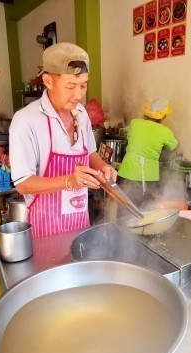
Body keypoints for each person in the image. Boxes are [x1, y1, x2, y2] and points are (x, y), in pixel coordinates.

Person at [9, 43, 116, 238]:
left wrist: (102, 166)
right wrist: (69, 181)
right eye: (70, 86)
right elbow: (23, 183)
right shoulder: (26, 120)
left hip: (79, 220)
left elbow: (90, 152)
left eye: (83, 85)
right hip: (45, 228)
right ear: (48, 81)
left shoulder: (81, 114)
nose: (79, 95)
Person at [117, 98, 178, 206]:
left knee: (124, 208)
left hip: (126, 172)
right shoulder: (165, 131)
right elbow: (173, 146)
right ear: (163, 117)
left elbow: (130, 137)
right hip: (147, 176)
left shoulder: (134, 123)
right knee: (144, 210)